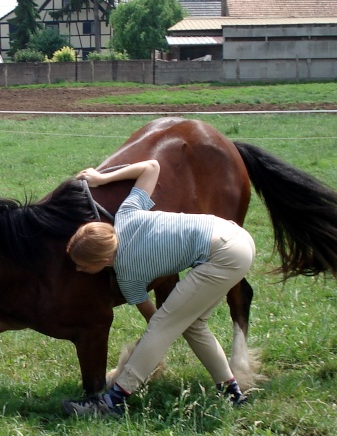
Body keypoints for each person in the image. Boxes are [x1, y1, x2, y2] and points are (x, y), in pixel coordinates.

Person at [62, 159, 256, 417]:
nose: (78, 270)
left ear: (105, 261)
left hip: (223, 255)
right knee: (193, 324)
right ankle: (232, 395)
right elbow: (152, 167)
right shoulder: (126, 214)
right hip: (237, 238)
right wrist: (100, 178)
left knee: (165, 324)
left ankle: (112, 403)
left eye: (83, 266)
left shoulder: (127, 274)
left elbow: (156, 322)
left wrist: (161, 333)